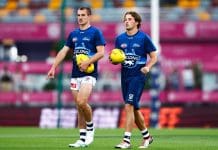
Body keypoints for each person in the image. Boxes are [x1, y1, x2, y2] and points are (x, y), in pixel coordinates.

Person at [47, 7, 106, 148]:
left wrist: (88, 62)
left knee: (81, 101)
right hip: (75, 74)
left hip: (89, 74)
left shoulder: (95, 32)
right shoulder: (73, 34)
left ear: (89, 16)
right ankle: (82, 138)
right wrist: (53, 67)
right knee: (79, 107)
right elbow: (63, 51)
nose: (80, 17)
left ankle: (91, 129)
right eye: (78, 15)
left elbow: (101, 53)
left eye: (83, 15)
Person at [111, 11, 158, 149]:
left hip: (138, 77)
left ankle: (126, 141)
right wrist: (113, 60)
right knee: (135, 109)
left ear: (137, 22)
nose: (126, 21)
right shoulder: (119, 39)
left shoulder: (144, 38)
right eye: (125, 19)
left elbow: (154, 56)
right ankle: (147, 137)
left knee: (128, 106)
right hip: (125, 76)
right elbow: (117, 56)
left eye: (130, 19)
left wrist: (148, 67)